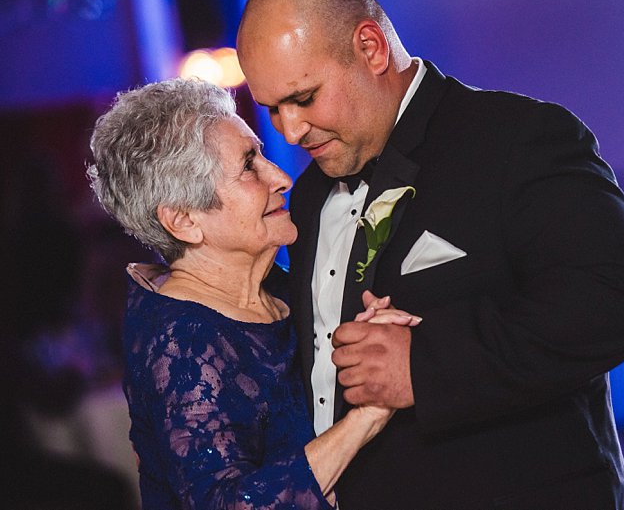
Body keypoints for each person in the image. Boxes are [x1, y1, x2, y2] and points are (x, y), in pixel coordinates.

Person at [236, 0, 624, 510]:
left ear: (370, 48)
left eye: (304, 98)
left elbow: (619, 300)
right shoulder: (311, 193)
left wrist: (422, 365)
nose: (290, 131)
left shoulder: (519, 139)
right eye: (273, 109)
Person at [87, 78, 419, 509]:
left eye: (260, 154)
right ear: (184, 221)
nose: (282, 178)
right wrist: (367, 417)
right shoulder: (181, 341)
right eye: (249, 166)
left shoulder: (277, 286)